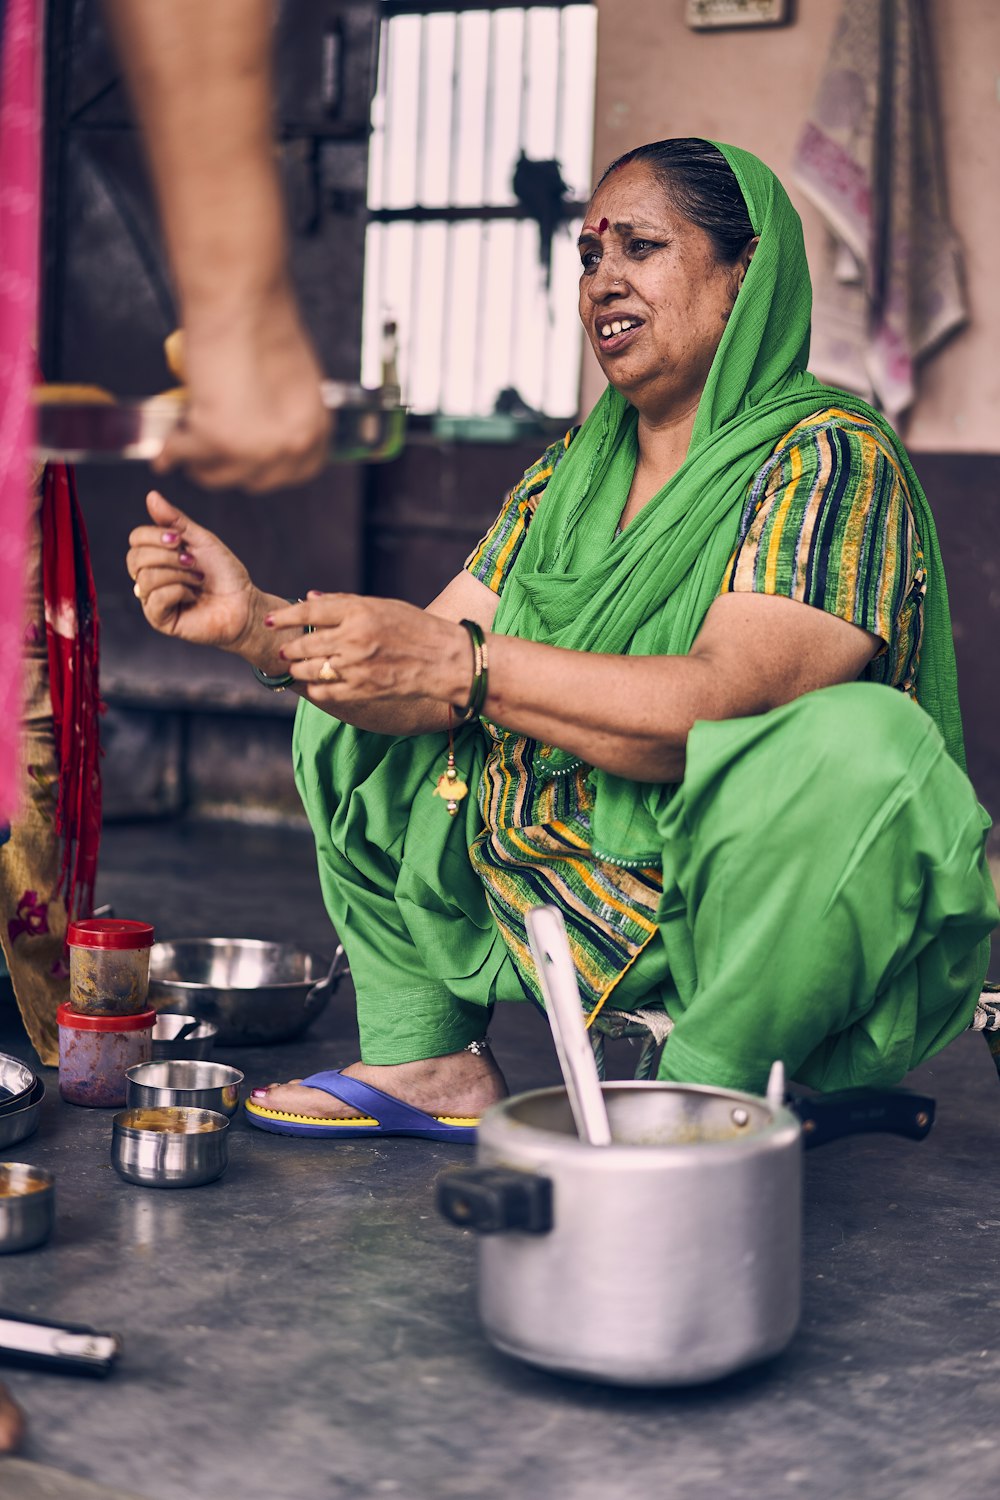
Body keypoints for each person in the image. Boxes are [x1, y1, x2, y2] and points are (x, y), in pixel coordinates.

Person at [127, 140, 998, 1139]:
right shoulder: (566, 476)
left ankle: (699, 1090)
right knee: (347, 711)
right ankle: (429, 1058)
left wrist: (460, 664)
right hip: (556, 856)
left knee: (860, 748)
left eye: (640, 245)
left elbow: (713, 707)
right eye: (588, 254)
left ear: (744, 275)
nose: (602, 280)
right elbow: (421, 655)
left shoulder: (828, 458)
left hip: (735, 899)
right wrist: (259, 631)